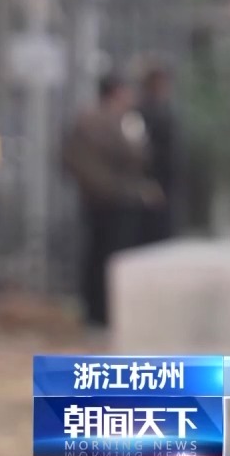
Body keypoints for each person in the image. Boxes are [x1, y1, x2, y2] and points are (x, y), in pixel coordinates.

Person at [61, 73, 163, 327]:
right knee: (103, 257)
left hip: (118, 200)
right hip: (106, 200)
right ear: (116, 92)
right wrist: (114, 188)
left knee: (112, 257)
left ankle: (107, 312)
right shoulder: (94, 122)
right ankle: (99, 312)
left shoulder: (126, 121)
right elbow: (81, 162)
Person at [137, 64, 178, 247]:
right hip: (151, 182)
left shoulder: (166, 110)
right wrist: (148, 181)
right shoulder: (143, 113)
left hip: (167, 182)